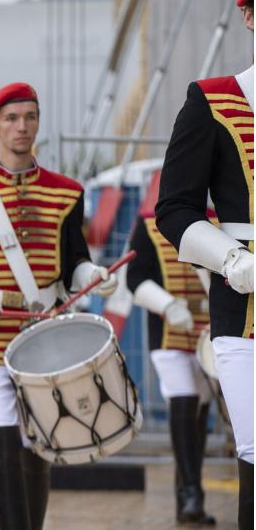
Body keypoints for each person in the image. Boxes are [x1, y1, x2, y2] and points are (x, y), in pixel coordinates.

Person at [0, 82, 117, 530]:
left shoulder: (68, 192)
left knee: (39, 445)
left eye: (30, 117)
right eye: (12, 119)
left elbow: (74, 259)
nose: (22, 126)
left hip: (45, 334)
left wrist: (89, 276)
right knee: (4, 444)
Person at [156, 0, 255, 529]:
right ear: (248, 17)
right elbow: (174, 208)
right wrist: (232, 259)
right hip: (244, 313)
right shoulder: (212, 100)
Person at [127, 173, 217, 525]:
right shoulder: (149, 227)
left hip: (209, 331)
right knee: (184, 399)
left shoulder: (219, 222)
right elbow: (135, 278)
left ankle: (187, 492)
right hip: (169, 332)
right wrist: (166, 304)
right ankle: (192, 492)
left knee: (201, 412)